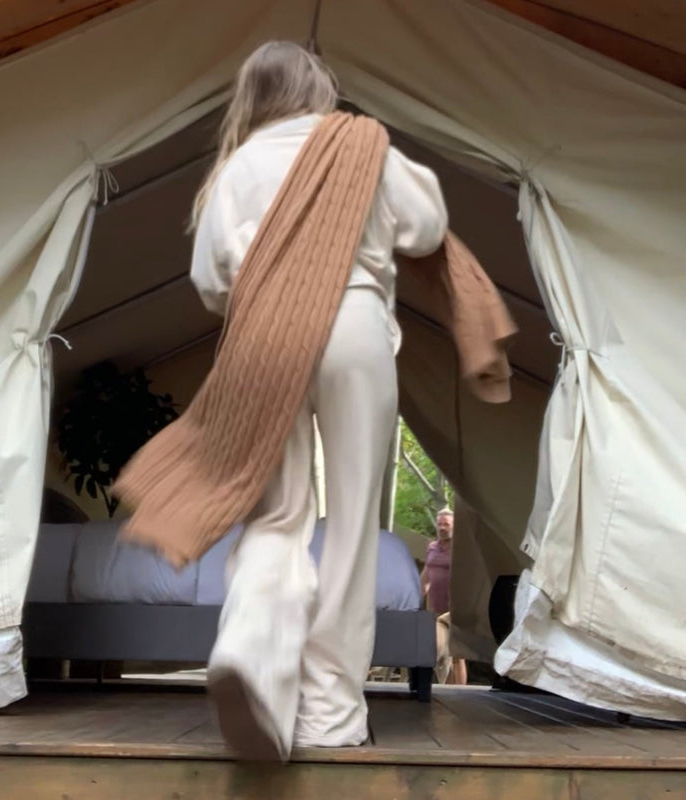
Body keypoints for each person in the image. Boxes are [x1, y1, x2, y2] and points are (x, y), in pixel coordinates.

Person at [188, 41, 447, 761]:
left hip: (262, 330)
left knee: (275, 511)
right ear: (320, 89)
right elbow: (426, 226)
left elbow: (210, 281)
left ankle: (250, 649)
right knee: (354, 527)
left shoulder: (238, 166)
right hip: (353, 320)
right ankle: (329, 715)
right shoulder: (360, 145)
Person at [421, 508, 467, 685]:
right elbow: (427, 574)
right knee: (439, 653)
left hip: (453, 610)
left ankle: (460, 692)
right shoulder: (432, 547)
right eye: (439, 524)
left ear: (454, 526)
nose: (442, 528)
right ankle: (445, 690)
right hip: (434, 609)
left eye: (446, 524)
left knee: (457, 654)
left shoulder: (461, 549)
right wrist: (417, 595)